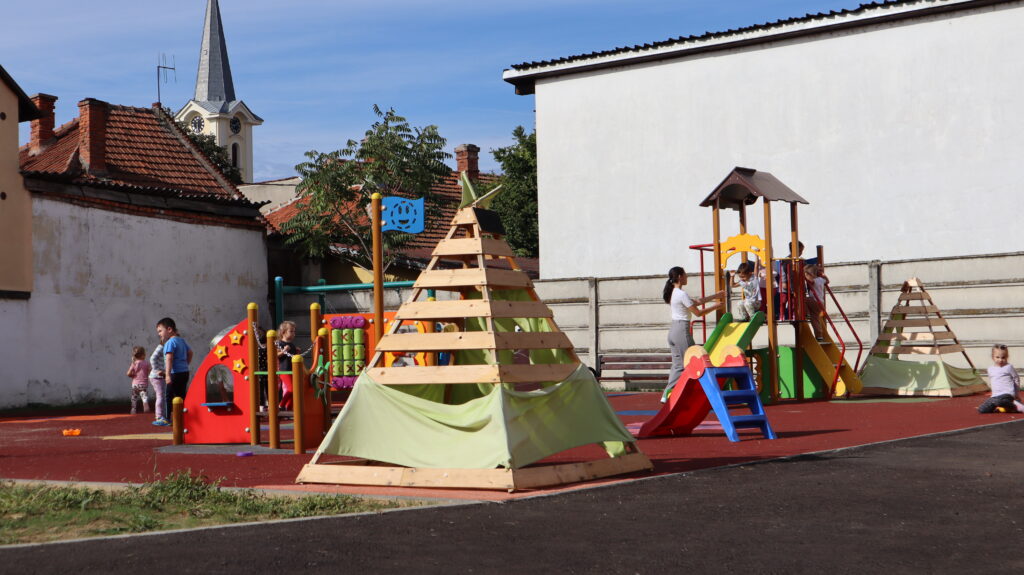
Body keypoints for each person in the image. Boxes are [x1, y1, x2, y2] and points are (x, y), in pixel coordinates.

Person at [661, 266, 725, 402]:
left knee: (678, 366)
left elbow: (697, 302)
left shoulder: (673, 292)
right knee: (695, 360)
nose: (687, 277)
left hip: (673, 331)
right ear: (680, 277)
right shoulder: (681, 294)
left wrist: (716, 296)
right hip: (681, 331)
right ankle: (702, 394)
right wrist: (717, 306)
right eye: (685, 274)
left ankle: (667, 394)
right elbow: (698, 313)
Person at [156, 317, 192, 420]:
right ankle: (183, 418)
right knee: (181, 396)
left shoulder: (170, 343)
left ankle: (167, 418)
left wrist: (167, 375)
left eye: (160, 331)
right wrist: (185, 364)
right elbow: (190, 353)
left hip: (174, 374)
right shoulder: (181, 341)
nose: (159, 334)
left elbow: (169, 358)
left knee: (169, 396)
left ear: (169, 329)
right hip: (184, 372)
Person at [978, 344, 1023, 413]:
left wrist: (1016, 394)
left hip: (1007, 394)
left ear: (1007, 357)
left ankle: (1014, 406)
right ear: (993, 357)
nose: (1000, 360)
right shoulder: (990, 369)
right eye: (997, 357)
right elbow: (993, 381)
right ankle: (1002, 408)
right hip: (995, 395)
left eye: (1003, 357)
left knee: (999, 401)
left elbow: (1016, 379)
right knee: (982, 409)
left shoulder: (1009, 367)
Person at [275, 321, 301, 410]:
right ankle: (281, 405)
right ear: (283, 332)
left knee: (295, 390)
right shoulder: (280, 343)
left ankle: (289, 409)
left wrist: (297, 352)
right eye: (291, 331)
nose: (294, 333)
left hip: (293, 370)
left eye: (294, 331)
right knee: (291, 389)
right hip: (284, 370)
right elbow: (275, 355)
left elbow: (294, 358)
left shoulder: (292, 345)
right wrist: (284, 351)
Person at [803, 263, 829, 340]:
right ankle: (819, 336)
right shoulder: (821, 280)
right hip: (821, 302)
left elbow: (810, 281)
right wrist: (822, 274)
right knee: (815, 319)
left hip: (814, 300)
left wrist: (804, 276)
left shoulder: (813, 281)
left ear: (810, 275)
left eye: (806, 274)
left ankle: (807, 313)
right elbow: (827, 281)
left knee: (802, 299)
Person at [126, 346, 151, 415]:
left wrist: (133, 375)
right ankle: (145, 405)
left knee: (134, 397)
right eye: (144, 354)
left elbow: (128, 373)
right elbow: (150, 372)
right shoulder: (146, 363)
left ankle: (133, 410)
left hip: (135, 384)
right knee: (144, 396)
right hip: (143, 384)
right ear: (142, 355)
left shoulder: (134, 363)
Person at [149, 341, 168, 426]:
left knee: (163, 396)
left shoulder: (166, 347)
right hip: (157, 376)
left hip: (160, 376)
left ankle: (162, 415)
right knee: (160, 396)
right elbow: (152, 358)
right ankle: (159, 416)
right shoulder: (161, 347)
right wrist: (157, 370)